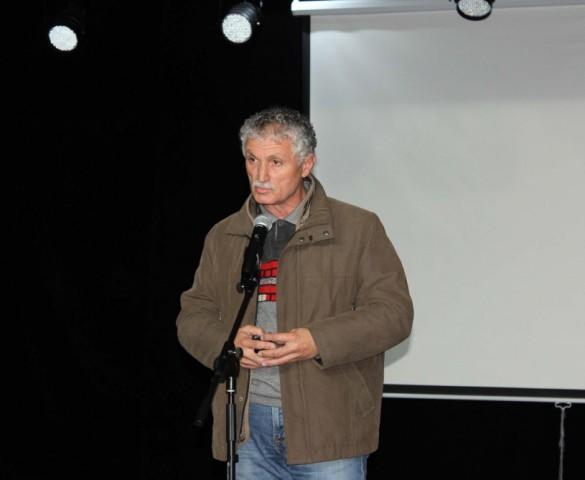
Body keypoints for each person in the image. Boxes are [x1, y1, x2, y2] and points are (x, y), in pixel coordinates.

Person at [176, 106, 414, 479]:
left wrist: (315, 340)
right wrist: (228, 342)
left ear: (306, 165)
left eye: (275, 162)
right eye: (252, 160)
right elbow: (193, 315)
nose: (260, 175)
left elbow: (393, 313)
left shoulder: (358, 228)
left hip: (328, 427)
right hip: (248, 428)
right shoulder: (225, 235)